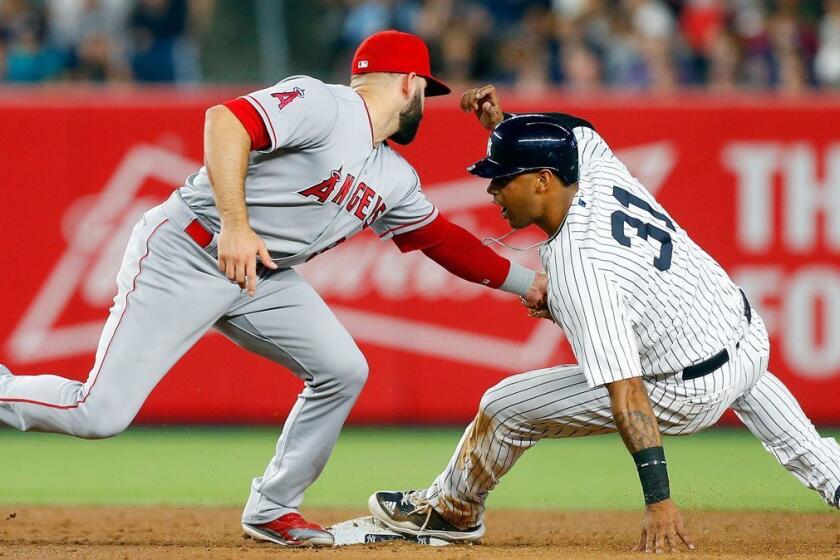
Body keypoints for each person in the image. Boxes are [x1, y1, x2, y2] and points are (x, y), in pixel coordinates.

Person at [0, 35, 545, 547]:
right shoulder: (323, 104)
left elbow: (444, 242)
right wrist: (235, 224)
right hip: (189, 249)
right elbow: (226, 122)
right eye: (426, 88)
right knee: (100, 413)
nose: (425, 100)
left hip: (260, 274)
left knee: (342, 368)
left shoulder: (393, 174)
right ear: (407, 82)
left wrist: (529, 285)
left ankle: (273, 507)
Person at [368, 85, 840, 552]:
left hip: (685, 391)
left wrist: (660, 500)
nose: (491, 189)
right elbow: (574, 130)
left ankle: (454, 509)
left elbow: (627, 390)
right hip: (746, 336)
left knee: (504, 407)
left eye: (502, 177)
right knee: (798, 439)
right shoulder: (595, 168)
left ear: (542, 181)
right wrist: (505, 126)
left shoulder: (581, 267)